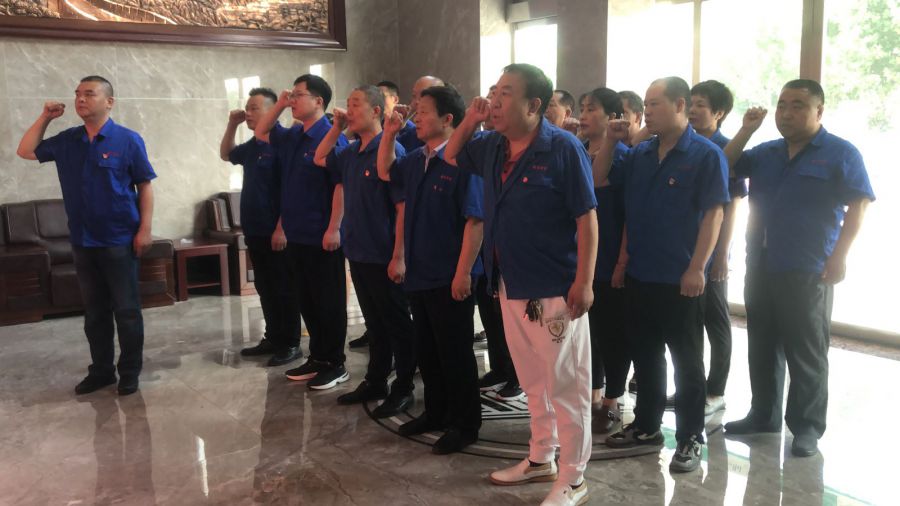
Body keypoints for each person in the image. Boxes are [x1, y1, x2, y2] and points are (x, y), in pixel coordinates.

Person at [445, 63, 598, 506]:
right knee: (533, 381)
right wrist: (471, 119)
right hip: (509, 283)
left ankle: (574, 477)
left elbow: (586, 217)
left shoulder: (562, 148)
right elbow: (452, 153)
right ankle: (541, 457)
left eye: (505, 94)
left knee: (566, 386)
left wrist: (585, 281)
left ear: (534, 105)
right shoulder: (493, 145)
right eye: (494, 91)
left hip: (554, 288)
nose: (494, 100)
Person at [722, 80, 874, 458]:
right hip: (761, 263)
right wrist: (746, 129)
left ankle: (806, 427)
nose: (786, 114)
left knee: (806, 349)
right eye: (782, 105)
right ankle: (764, 414)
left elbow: (859, 206)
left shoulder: (840, 152)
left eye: (798, 106)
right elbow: (724, 164)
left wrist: (840, 256)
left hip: (808, 267)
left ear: (819, 111)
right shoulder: (767, 152)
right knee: (762, 343)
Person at [594, 76, 729, 473]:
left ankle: (689, 437)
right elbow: (599, 179)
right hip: (641, 274)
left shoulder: (705, 155)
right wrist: (611, 140)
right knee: (646, 356)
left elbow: (714, 214)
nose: (647, 111)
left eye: (654, 104)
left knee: (687, 361)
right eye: (646, 104)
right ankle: (647, 426)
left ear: (679, 105)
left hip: (680, 278)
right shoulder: (640, 153)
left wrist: (697, 267)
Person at [16, 75, 155, 396]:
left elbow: (145, 185)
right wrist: (46, 117)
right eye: (77, 94)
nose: (80, 99)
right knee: (94, 313)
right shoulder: (68, 140)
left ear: (109, 102)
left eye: (89, 94)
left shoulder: (128, 140)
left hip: (120, 239)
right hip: (83, 241)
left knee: (127, 311)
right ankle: (102, 371)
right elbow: (25, 150)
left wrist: (145, 229)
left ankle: (130, 372)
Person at [377, 85, 484, 454]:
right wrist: (390, 133)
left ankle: (465, 424)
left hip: (450, 274)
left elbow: (475, 221)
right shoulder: (417, 159)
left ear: (447, 119)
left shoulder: (465, 161)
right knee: (428, 350)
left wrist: (463, 273)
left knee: (455, 353)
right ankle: (436, 413)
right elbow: (385, 170)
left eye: (423, 112)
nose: (416, 118)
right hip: (420, 273)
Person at [313, 85, 417, 416]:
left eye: (356, 104)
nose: (349, 110)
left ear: (376, 112)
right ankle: (375, 380)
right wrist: (336, 128)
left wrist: (399, 256)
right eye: (348, 104)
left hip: (384, 253)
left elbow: (402, 208)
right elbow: (320, 157)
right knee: (375, 323)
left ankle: (404, 387)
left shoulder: (391, 149)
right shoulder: (352, 151)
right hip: (359, 251)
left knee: (397, 324)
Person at [253, 74, 350, 390]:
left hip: (322, 235)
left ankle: (335, 362)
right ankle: (318, 356)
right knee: (306, 299)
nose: (293, 100)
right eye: (291, 95)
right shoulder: (295, 135)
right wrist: (280, 103)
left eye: (298, 95)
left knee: (328, 300)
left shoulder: (332, 136)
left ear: (318, 101)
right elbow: (261, 130)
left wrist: (334, 228)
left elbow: (341, 186)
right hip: (297, 233)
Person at [220, 87, 300, 367]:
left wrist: (282, 227)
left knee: (284, 287)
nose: (249, 113)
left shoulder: (283, 143)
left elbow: (291, 190)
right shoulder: (253, 145)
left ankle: (290, 343)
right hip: (254, 228)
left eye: (255, 108)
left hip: (276, 230)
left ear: (272, 110)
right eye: (247, 107)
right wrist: (232, 124)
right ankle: (273, 337)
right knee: (265, 287)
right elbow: (226, 154)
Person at [687, 80, 745, 415]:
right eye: (691, 103)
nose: (693, 110)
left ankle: (716, 391)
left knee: (716, 321)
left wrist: (721, 254)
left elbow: (731, 207)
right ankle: (693, 389)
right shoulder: (687, 145)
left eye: (701, 105)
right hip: (687, 250)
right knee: (690, 323)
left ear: (719, 113)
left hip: (712, 255)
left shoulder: (726, 147)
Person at [579, 87, 630, 435]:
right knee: (589, 331)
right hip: (582, 257)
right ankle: (593, 394)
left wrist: (622, 261)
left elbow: (629, 215)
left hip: (610, 255)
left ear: (612, 117)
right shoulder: (578, 150)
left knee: (613, 333)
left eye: (591, 109)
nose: (583, 114)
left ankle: (612, 399)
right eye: (582, 108)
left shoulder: (623, 155)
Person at [394, 76, 445, 152]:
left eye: (423, 96)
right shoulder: (414, 133)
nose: (417, 102)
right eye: (414, 96)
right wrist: (399, 124)